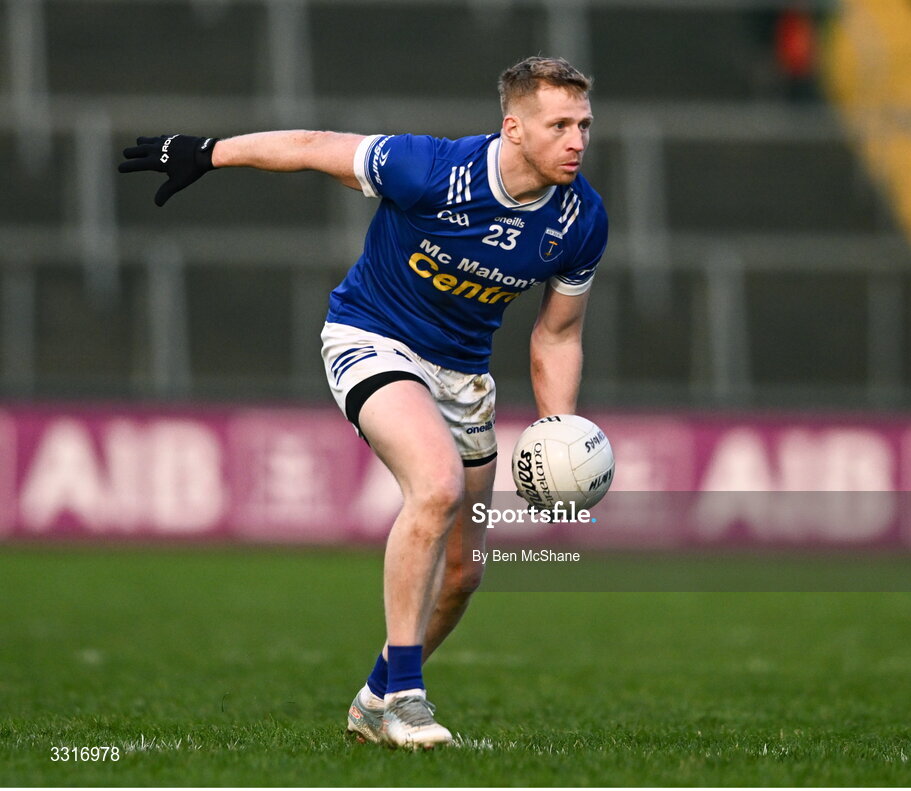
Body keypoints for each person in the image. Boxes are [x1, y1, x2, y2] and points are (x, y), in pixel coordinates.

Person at [119, 56, 608, 749]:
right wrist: (208, 152)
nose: (577, 140)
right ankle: (406, 698)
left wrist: (557, 427)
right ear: (514, 129)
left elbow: (556, 336)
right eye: (559, 124)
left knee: (465, 573)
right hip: (373, 338)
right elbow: (316, 145)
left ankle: (376, 695)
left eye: (584, 124)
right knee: (434, 485)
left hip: (463, 376)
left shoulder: (581, 219)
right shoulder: (431, 170)